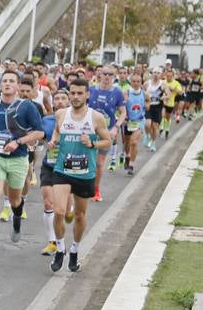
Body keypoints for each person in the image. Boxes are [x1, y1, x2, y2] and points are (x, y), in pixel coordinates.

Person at [0, 70, 45, 261]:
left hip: (17, 158)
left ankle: (16, 218)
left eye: (11, 81)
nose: (7, 84)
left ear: (17, 86)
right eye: (4, 81)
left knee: (15, 200)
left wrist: (19, 142)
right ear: (1, 84)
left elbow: (39, 133)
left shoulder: (26, 107)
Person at [48, 77, 111, 273]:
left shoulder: (96, 117)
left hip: (85, 173)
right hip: (62, 170)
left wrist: (93, 144)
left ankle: (74, 249)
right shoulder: (60, 114)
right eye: (72, 93)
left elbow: (107, 141)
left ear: (87, 95)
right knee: (58, 211)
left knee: (80, 215)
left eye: (79, 93)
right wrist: (54, 142)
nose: (75, 97)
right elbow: (57, 132)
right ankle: (60, 249)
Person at [37, 90, 72, 256]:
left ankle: (69, 209)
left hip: (68, 167)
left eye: (63, 98)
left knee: (62, 210)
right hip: (49, 165)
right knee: (48, 203)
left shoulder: (76, 120)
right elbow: (40, 136)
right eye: (56, 98)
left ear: (69, 101)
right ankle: (53, 242)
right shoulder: (46, 120)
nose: (59, 101)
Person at [86, 67, 125, 199]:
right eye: (105, 74)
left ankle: (95, 190)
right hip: (89, 130)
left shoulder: (117, 92)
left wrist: (116, 127)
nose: (107, 76)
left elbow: (123, 112)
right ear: (99, 74)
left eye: (110, 74)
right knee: (85, 159)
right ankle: (83, 186)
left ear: (114, 76)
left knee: (99, 163)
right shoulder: (91, 90)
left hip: (106, 132)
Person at [123, 74, 146, 175]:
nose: (136, 83)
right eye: (134, 81)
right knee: (127, 142)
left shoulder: (145, 94)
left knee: (134, 142)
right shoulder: (126, 92)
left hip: (139, 121)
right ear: (131, 82)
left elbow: (148, 103)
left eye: (138, 81)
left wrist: (148, 105)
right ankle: (128, 156)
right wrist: (124, 102)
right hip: (128, 121)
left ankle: (132, 165)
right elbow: (122, 106)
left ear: (141, 83)